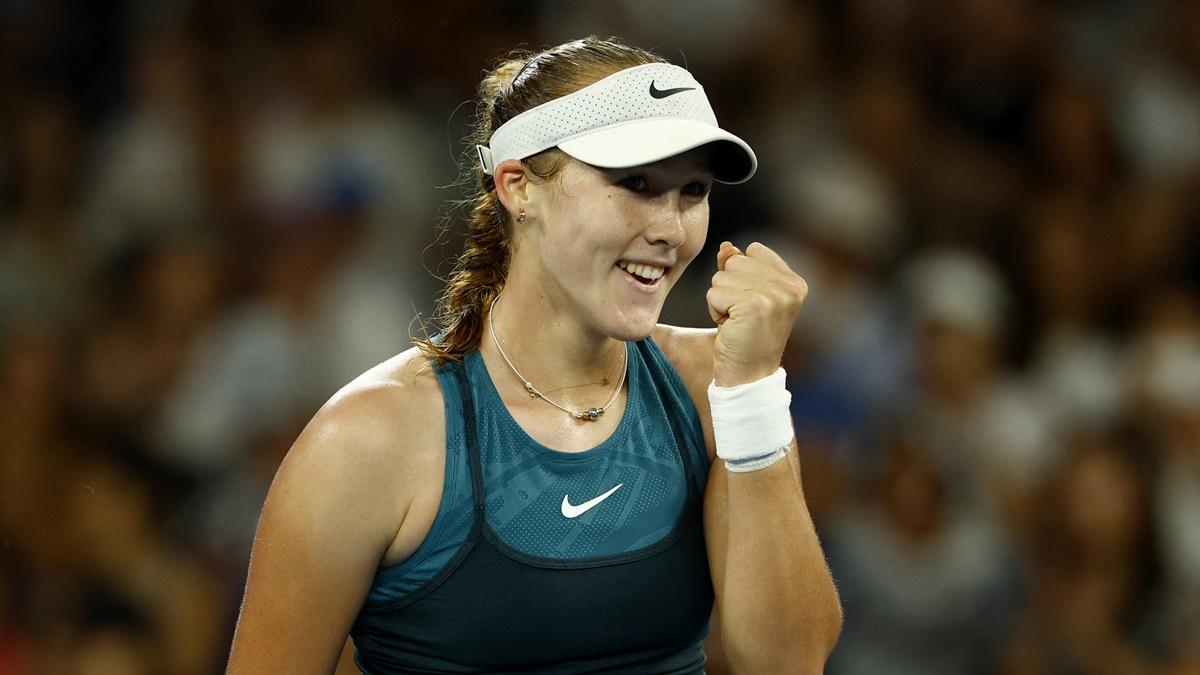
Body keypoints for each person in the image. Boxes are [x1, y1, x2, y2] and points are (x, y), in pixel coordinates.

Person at [227, 36, 842, 674]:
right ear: (519, 188)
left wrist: (752, 391)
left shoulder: (721, 389)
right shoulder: (367, 441)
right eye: (634, 184)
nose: (670, 228)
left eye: (692, 191)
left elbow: (788, 664)